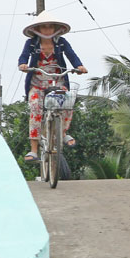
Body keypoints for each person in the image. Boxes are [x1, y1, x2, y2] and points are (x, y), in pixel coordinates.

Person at [17, 11, 87, 162]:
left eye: (51, 27)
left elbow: (71, 55)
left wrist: (79, 66)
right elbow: (24, 56)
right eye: (44, 27)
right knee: (35, 107)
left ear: (55, 28)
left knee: (68, 100)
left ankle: (63, 133)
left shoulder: (61, 42)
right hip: (37, 83)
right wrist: (22, 64)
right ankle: (34, 149)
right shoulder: (32, 43)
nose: (47, 30)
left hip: (57, 81)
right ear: (38, 29)